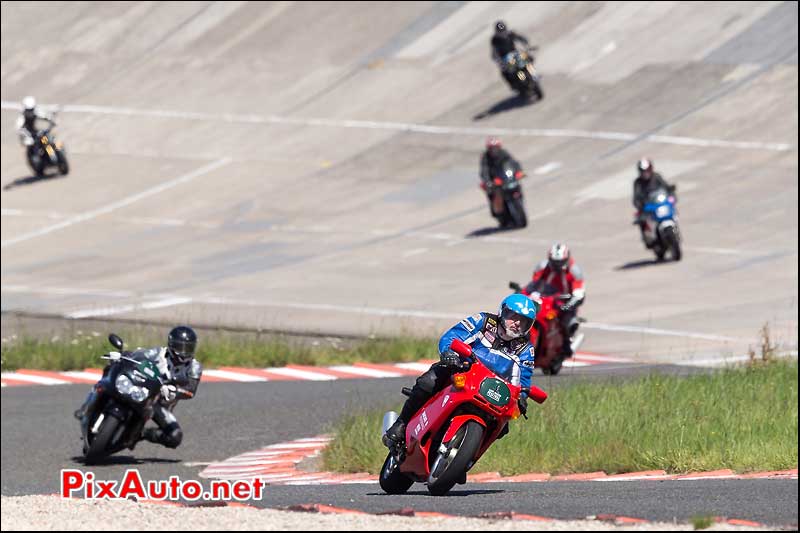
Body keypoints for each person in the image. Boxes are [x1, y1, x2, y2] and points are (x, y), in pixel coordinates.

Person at [382, 294, 538, 451]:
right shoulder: (483, 321)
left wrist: (522, 397)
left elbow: (523, 379)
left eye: (523, 321)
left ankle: (466, 459)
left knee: (503, 426)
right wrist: (449, 353)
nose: (517, 323)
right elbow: (452, 336)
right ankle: (401, 424)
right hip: (461, 370)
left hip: (491, 390)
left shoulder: (526, 349)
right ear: (503, 312)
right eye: (514, 317)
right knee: (428, 382)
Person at [74, 326, 203, 449]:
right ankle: (87, 406)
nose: (184, 352)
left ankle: (142, 434)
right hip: (144, 390)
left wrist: (175, 391)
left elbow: (191, 390)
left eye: (188, 348)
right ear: (171, 344)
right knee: (111, 369)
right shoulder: (157, 353)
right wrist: (122, 355)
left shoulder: (194, 367)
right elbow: (138, 355)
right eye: (180, 347)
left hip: (161, 405)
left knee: (175, 436)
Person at [522, 243, 585, 357]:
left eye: (560, 262)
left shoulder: (574, 271)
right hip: (545, 298)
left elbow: (579, 291)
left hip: (565, 302)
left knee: (567, 323)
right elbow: (535, 283)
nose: (557, 265)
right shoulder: (542, 266)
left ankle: (566, 345)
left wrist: (572, 302)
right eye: (554, 262)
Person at [633, 159, 676, 245]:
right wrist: (640, 204)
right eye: (643, 171)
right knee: (642, 219)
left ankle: (674, 232)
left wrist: (671, 194)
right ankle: (649, 239)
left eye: (647, 170)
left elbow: (666, 187)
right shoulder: (638, 182)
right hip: (648, 206)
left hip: (659, 203)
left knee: (672, 212)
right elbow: (636, 197)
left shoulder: (656, 177)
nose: (645, 173)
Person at [480, 137, 523, 217]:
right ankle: (498, 212)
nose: (494, 150)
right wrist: (488, 181)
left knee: (517, 185)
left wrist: (518, 171)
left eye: (495, 148)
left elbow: (513, 162)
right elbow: (484, 171)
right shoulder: (485, 157)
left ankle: (519, 200)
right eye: (492, 148)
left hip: (505, 176)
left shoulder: (504, 153)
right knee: (493, 194)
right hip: (494, 179)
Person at [490, 20, 533, 87]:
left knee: (528, 59)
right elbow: (494, 53)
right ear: (497, 32)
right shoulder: (495, 40)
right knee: (506, 72)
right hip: (506, 59)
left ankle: (533, 74)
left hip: (516, 53)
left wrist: (527, 44)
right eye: (500, 32)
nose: (503, 33)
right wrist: (499, 61)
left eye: (504, 30)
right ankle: (516, 85)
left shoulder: (510, 34)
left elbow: (520, 38)